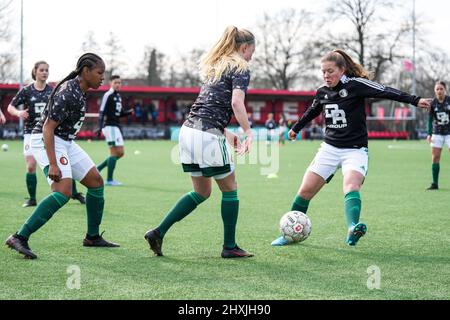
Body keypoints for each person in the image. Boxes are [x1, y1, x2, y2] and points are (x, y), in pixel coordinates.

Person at [271, 49, 431, 247]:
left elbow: (385, 90)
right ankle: (289, 234)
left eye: (330, 71)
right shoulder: (322, 92)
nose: (326, 75)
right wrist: (295, 128)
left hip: (354, 151)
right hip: (329, 149)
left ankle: (352, 227)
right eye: (323, 72)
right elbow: (312, 111)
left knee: (351, 186)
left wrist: (414, 100)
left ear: (342, 70)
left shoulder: (356, 85)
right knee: (304, 192)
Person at [144, 26, 255, 258]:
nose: (252, 56)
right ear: (244, 48)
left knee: (202, 191)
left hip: (188, 132)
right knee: (230, 188)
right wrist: (247, 131)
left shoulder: (216, 67)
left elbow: (208, 107)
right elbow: (236, 103)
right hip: (207, 135)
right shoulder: (241, 66)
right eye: (252, 50)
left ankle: (158, 232)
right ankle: (230, 247)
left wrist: (227, 133)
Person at [5, 53, 119, 259]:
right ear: (86, 71)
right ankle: (19, 237)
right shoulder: (69, 92)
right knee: (62, 192)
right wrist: (53, 164)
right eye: (99, 72)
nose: (103, 77)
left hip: (64, 141)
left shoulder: (80, 90)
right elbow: (48, 128)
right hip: (46, 140)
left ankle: (92, 237)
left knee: (96, 182)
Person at [7, 61, 86, 207]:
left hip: (53, 133)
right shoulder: (26, 91)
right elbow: (10, 107)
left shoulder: (53, 90)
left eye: (47, 70)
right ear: (35, 72)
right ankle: (32, 198)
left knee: (64, 162)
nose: (44, 72)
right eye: (42, 70)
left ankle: (74, 193)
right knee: (30, 166)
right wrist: (19, 112)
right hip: (32, 133)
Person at [96, 75, 133, 186]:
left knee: (120, 153)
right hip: (109, 126)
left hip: (116, 126)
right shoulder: (108, 95)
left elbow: (120, 113)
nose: (118, 84)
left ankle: (98, 168)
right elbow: (102, 111)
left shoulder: (118, 97)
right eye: (115, 82)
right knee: (114, 152)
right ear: (110, 83)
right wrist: (100, 126)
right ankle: (109, 180)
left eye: (119, 82)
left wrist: (128, 112)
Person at [426, 81, 450, 190]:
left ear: (445, 89)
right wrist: (429, 134)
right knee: (435, 157)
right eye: (437, 89)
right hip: (437, 133)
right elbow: (430, 120)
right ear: (435, 91)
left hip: (449, 133)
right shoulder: (433, 103)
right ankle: (435, 183)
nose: (439, 91)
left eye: (441, 89)